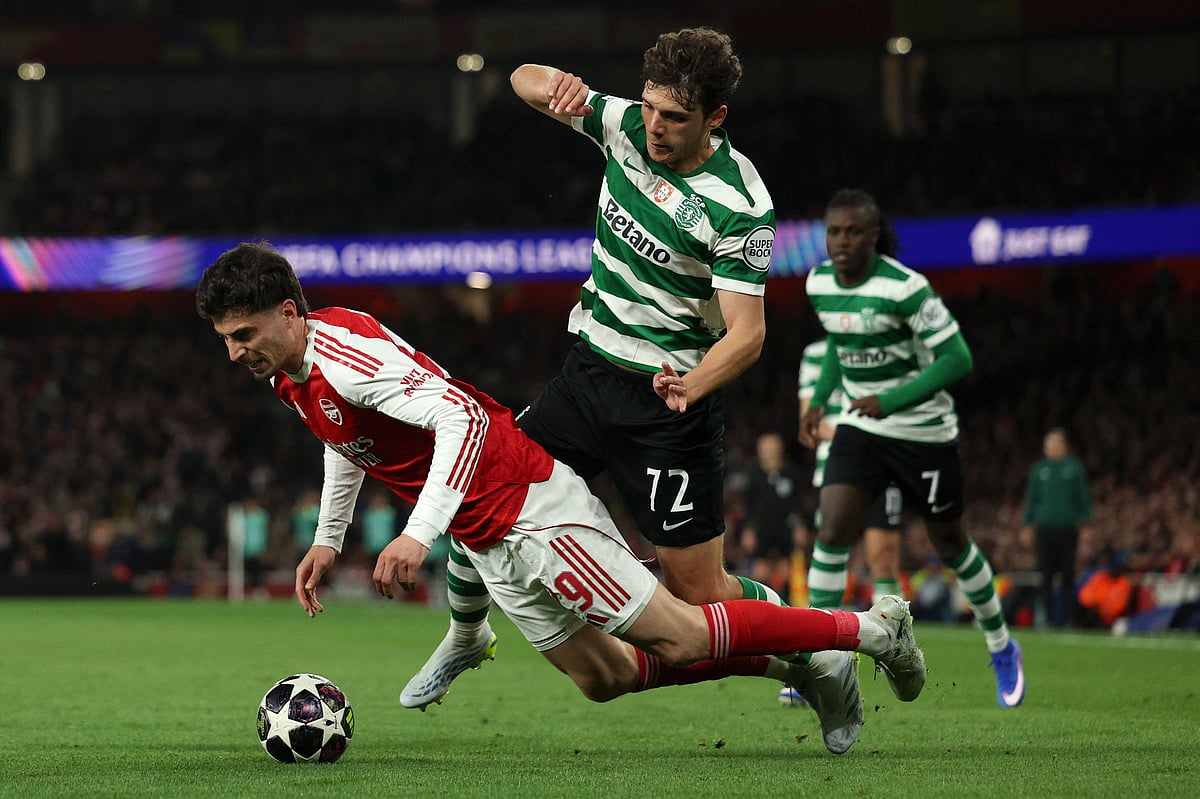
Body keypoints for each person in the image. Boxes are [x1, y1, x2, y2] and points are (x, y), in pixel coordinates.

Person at [194, 242, 927, 756]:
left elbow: (462, 417)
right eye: (227, 339)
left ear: (290, 312)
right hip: (487, 534)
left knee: (685, 632)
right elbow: (346, 438)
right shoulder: (292, 374)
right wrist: (329, 536)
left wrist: (418, 534)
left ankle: (866, 630)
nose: (234, 353)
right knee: (603, 677)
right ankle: (803, 661)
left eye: (244, 334)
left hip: (527, 508)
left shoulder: (347, 357)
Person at [405, 25, 861, 738]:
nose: (654, 125)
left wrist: (693, 384)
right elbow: (524, 74)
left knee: (698, 594)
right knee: (477, 488)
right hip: (586, 377)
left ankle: (819, 655)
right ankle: (467, 633)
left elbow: (748, 334)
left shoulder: (739, 204)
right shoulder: (622, 123)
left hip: (667, 406)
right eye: (649, 106)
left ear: (716, 118)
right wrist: (549, 85)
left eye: (675, 116)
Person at [799, 188, 1026, 709]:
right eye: (834, 231)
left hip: (924, 432)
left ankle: (1001, 645)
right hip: (862, 425)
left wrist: (892, 398)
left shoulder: (907, 289)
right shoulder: (818, 283)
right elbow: (839, 338)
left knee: (950, 545)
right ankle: (819, 658)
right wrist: (820, 397)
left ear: (874, 236)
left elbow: (957, 359)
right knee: (832, 528)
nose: (841, 241)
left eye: (853, 231)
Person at [782, 337, 907, 705]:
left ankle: (894, 653)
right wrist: (857, 440)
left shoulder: (886, 346)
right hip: (837, 471)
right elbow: (811, 418)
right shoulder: (816, 353)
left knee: (883, 557)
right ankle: (819, 660)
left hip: (886, 468)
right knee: (831, 552)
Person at [1019, 427, 1092, 628]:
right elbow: (1032, 500)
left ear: (1064, 446)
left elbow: (1084, 498)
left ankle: (1069, 619)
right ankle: (1048, 619)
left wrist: (1086, 524)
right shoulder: (1039, 470)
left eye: (1056, 444)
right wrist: (1026, 525)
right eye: (1049, 444)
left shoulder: (1074, 468)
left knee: (1068, 574)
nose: (1052, 448)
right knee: (1046, 575)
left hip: (1068, 529)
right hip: (1045, 529)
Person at [738, 432, 807, 603]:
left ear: (780, 450)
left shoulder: (791, 473)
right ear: (759, 451)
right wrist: (749, 530)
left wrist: (799, 526)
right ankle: (759, 609)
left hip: (785, 528)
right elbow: (748, 507)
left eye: (773, 448)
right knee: (760, 570)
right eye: (766, 448)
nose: (770, 452)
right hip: (762, 528)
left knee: (787, 569)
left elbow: (798, 504)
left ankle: (787, 610)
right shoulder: (753, 476)